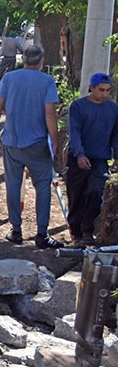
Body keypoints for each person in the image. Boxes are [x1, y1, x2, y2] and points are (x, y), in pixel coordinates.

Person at [0, 45, 63, 250]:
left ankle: (16, 230)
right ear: (41, 61)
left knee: (13, 185)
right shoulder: (47, 81)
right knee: (43, 187)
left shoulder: (9, 78)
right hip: (38, 144)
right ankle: (42, 234)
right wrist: (54, 141)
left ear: (23, 59)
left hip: (12, 142)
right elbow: (50, 114)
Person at [66, 73, 118, 247]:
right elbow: (75, 132)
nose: (105, 94)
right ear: (92, 88)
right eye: (101, 90)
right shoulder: (78, 107)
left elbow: (116, 135)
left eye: (108, 90)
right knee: (76, 196)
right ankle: (76, 234)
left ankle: (87, 231)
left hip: (100, 159)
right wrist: (80, 154)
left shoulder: (113, 109)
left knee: (95, 192)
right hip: (78, 158)